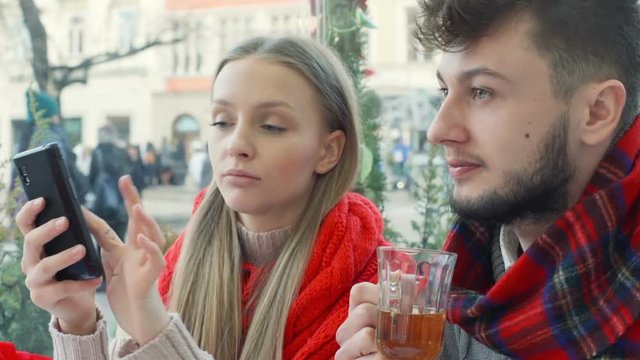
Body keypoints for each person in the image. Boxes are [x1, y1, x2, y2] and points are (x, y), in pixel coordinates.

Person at [17, 36, 388, 359]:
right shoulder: (175, 265)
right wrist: (78, 323)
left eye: (271, 126)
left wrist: (156, 334)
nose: (236, 144)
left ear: (329, 151)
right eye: (222, 122)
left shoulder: (373, 296)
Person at [336, 0, 640, 359]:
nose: (438, 130)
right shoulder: (459, 294)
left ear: (596, 112)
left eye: (481, 92)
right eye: (444, 92)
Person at [88, 125, 131, 241]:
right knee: (120, 241)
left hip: (102, 207)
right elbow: (129, 177)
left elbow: (92, 178)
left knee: (102, 242)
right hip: (121, 207)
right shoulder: (121, 152)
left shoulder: (97, 152)